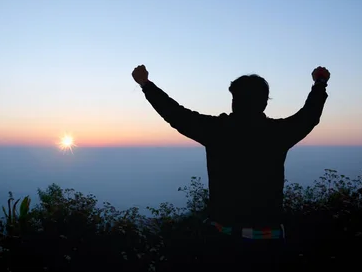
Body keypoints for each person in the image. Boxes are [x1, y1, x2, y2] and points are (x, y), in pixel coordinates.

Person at [131, 65, 330, 271]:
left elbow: (175, 114)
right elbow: (309, 115)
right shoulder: (277, 133)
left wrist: (146, 84)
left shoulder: (216, 130)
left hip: (224, 242)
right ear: (264, 103)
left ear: (234, 100)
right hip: (268, 244)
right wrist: (320, 83)